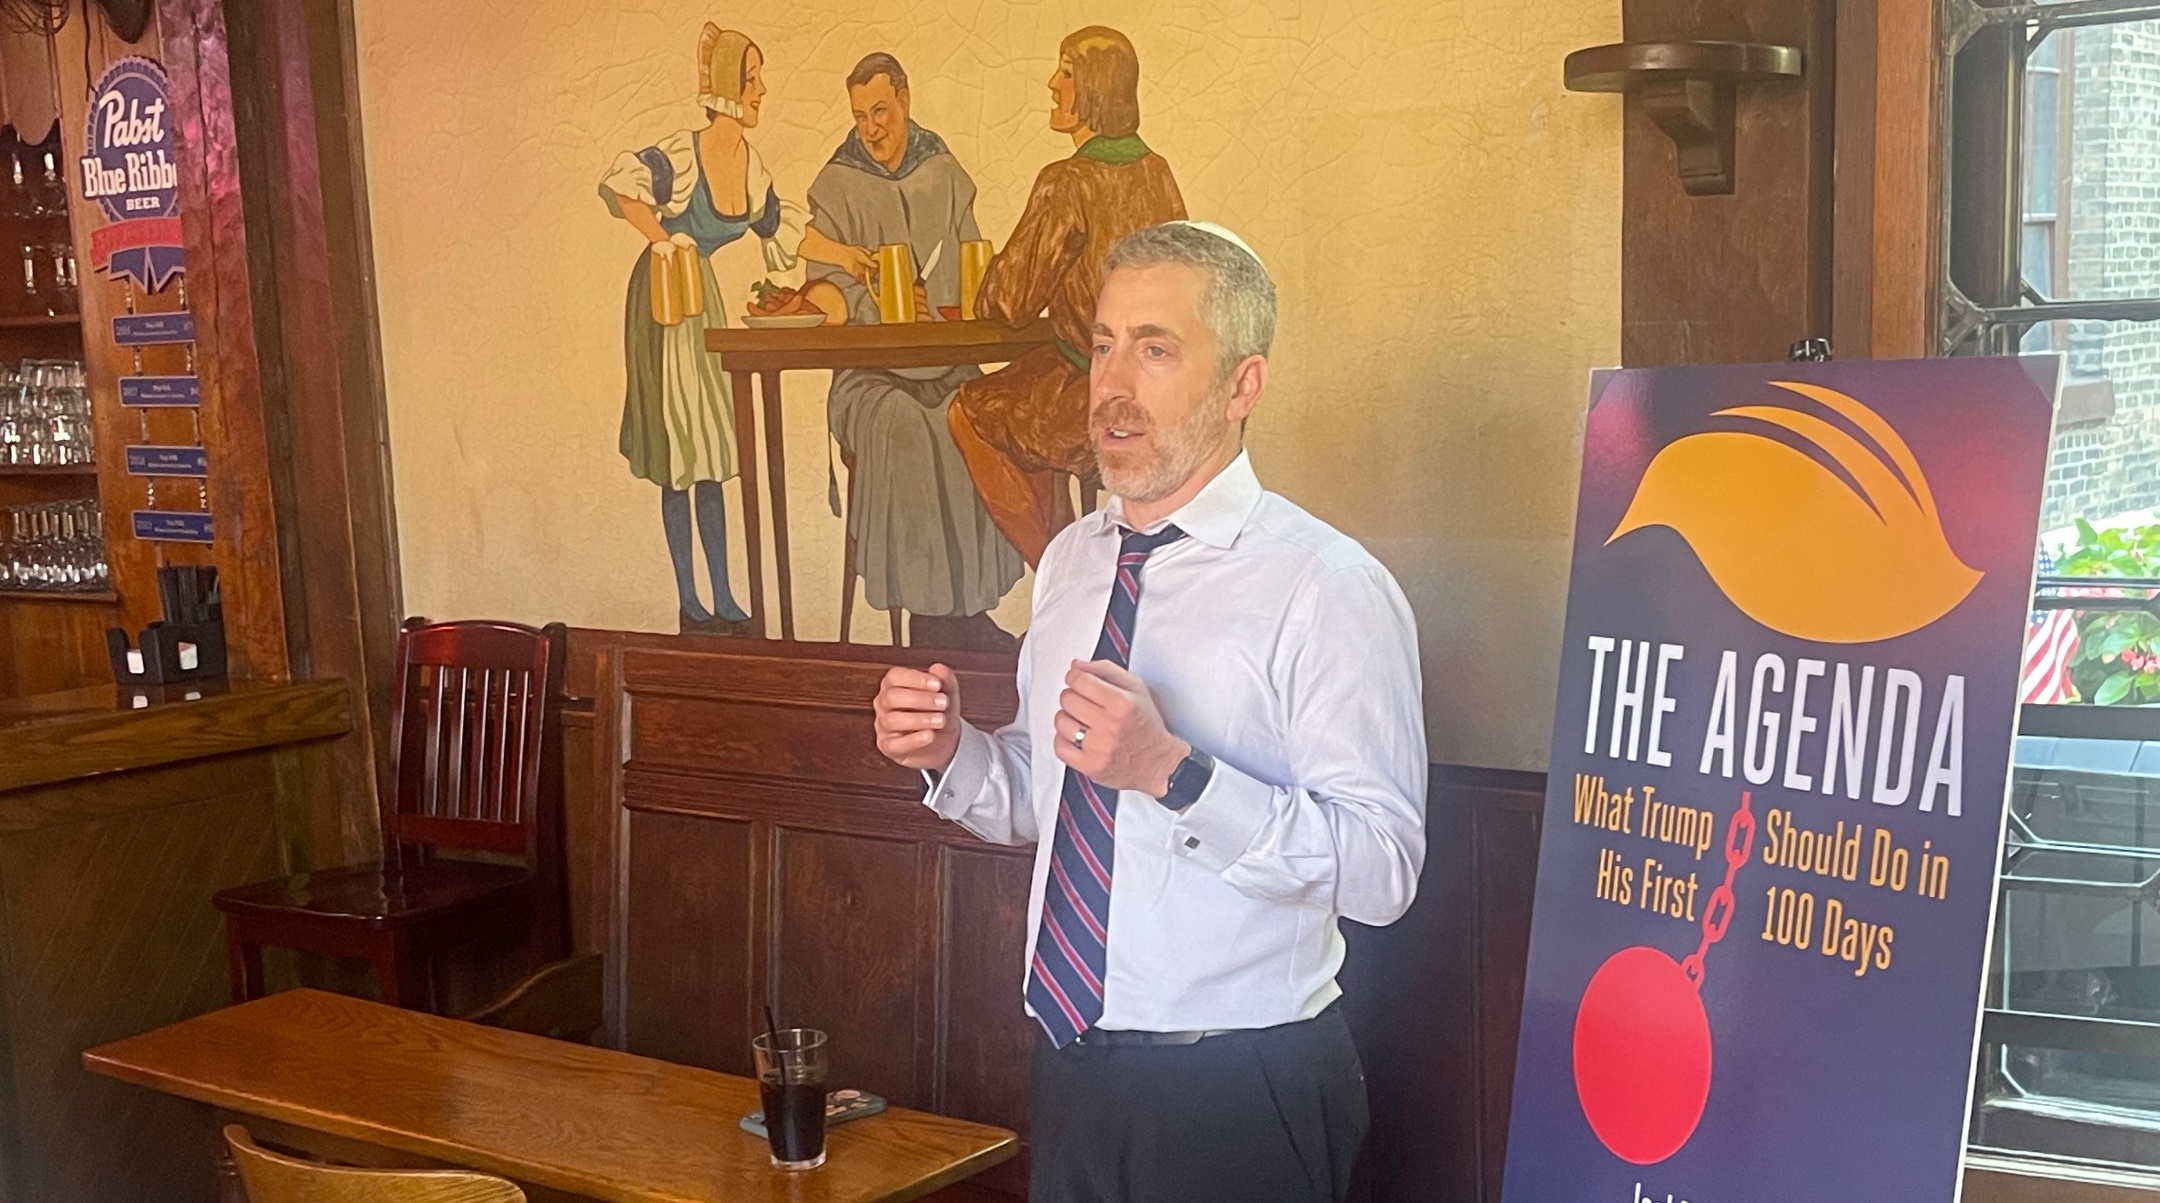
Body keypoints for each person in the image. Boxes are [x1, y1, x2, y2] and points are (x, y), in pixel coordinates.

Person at [872, 222, 1428, 1203]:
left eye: (1157, 349)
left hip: (1242, 1092)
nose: (1113, 384)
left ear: (1242, 386)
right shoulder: (1074, 564)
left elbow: (1383, 872)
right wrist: (954, 751)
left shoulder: (1326, 587)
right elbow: (1055, 805)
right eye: (1102, 344)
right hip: (1073, 1065)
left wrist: (1176, 773)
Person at [599, 25, 858, 635]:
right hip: (663, 302)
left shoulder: (750, 165)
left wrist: (846, 257)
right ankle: (689, 599)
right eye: (752, 79)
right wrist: (663, 242)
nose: (762, 89)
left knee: (713, 450)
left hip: (703, 300)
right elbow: (621, 188)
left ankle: (723, 594)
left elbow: (782, 232)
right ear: (725, 89)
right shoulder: (681, 156)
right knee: (676, 452)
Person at [797, 53, 1024, 652]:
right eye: (859, 116)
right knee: (905, 424)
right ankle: (930, 625)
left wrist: (947, 297)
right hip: (870, 378)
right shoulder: (836, 185)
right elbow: (826, 288)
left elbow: (974, 261)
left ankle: (965, 616)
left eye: (881, 111)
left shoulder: (943, 171)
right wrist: (867, 300)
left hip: (948, 363)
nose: (871, 128)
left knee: (966, 414)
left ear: (904, 100)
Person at [948, 27, 1187, 567]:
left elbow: (1008, 302)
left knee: (970, 412)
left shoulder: (1067, 180)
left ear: (1095, 89)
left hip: (1092, 393)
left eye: (1067, 73)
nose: (1053, 85)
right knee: (1021, 398)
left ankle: (1056, 573)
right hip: (1159, 389)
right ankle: (1069, 560)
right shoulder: (1157, 172)